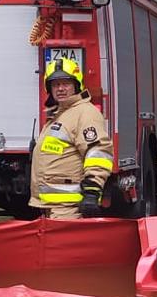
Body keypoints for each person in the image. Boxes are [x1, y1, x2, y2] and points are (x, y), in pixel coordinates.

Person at [27, 56, 114, 219]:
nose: (60, 88)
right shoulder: (61, 115)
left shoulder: (85, 113)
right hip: (53, 207)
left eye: (66, 83)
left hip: (70, 209)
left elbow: (98, 153)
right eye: (55, 84)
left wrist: (92, 191)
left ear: (76, 85)